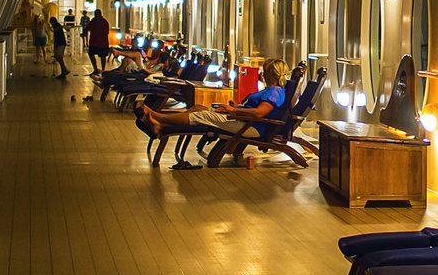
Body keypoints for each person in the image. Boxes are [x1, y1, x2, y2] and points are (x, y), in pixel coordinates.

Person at [134, 59, 288, 167]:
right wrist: (237, 108)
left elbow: (260, 113)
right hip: (243, 121)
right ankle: (159, 126)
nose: (262, 74)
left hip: (251, 127)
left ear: (274, 73)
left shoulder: (274, 91)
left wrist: (233, 110)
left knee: (203, 116)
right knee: (198, 108)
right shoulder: (271, 90)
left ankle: (156, 117)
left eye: (265, 71)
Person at [87, 8, 111, 75]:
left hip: (96, 42)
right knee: (102, 56)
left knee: (94, 55)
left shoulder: (95, 21)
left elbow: (88, 28)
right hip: (101, 43)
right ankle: (100, 69)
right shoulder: (104, 22)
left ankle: (97, 69)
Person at [50, 13, 69, 78]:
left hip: (60, 44)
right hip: (61, 43)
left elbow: (56, 37)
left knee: (59, 57)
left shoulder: (56, 27)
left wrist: (55, 45)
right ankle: (63, 71)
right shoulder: (58, 26)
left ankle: (64, 70)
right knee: (58, 57)